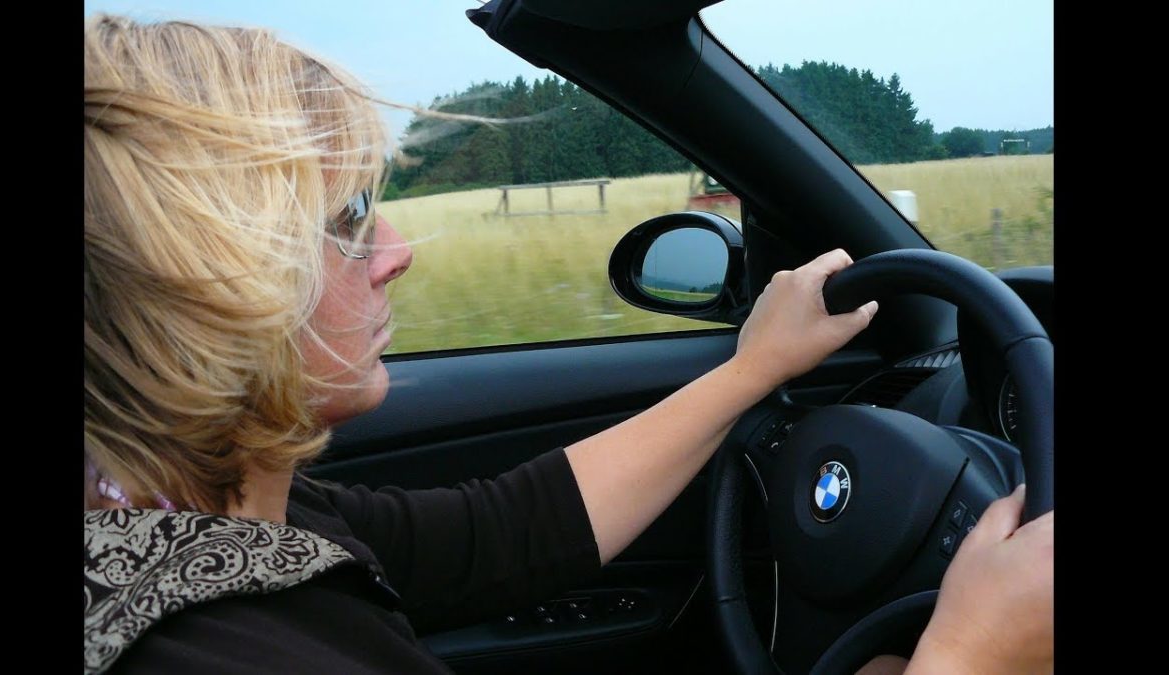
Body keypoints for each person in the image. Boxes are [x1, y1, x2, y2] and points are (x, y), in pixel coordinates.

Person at [83, 14, 1052, 675]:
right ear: (205, 286)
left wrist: (755, 367)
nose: (396, 251)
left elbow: (504, 534)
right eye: (347, 219)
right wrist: (969, 654)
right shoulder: (219, 650)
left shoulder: (218, 508)